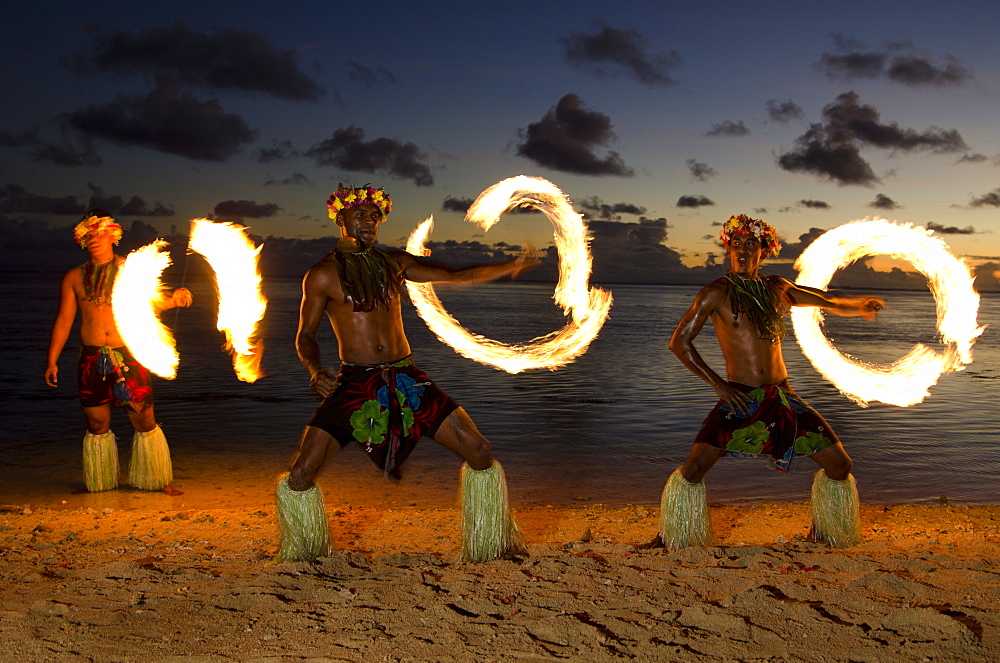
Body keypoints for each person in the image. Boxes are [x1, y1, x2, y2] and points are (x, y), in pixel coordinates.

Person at [275, 185, 538, 564]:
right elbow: (305, 335)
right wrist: (315, 369)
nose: (370, 222)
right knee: (301, 475)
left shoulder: (394, 263)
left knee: (479, 450)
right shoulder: (321, 275)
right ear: (341, 218)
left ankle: (491, 543)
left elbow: (458, 274)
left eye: (375, 216)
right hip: (355, 384)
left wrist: (510, 265)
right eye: (361, 214)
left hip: (405, 378)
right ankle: (303, 552)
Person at [659, 214, 885, 550]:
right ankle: (672, 538)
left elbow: (826, 301)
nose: (742, 250)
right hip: (741, 397)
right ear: (728, 249)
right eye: (735, 244)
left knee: (840, 465)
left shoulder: (777, 288)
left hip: (782, 398)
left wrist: (859, 305)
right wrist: (720, 385)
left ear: (765, 250)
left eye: (751, 244)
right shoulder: (716, 293)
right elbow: (679, 342)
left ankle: (824, 533)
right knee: (693, 470)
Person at [45, 209, 191, 495]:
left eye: (98, 234)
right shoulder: (73, 278)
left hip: (126, 355)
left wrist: (173, 300)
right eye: (87, 237)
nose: (93, 241)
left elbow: (151, 303)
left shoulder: (129, 269)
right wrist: (51, 360)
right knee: (96, 423)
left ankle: (157, 480)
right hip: (90, 359)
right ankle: (101, 483)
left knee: (143, 418)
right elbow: (63, 320)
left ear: (112, 234)